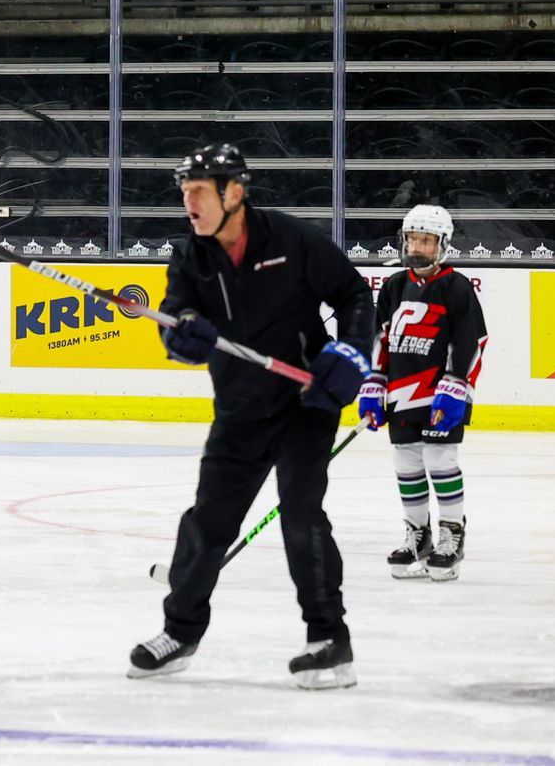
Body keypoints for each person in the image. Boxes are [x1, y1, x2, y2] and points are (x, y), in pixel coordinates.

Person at [129, 144, 375, 690]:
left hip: (304, 404)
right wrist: (183, 332)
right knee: (208, 522)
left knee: (301, 515)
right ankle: (180, 631)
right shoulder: (191, 256)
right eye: (184, 191)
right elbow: (177, 320)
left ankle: (329, 640)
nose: (188, 202)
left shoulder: (291, 239)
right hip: (239, 407)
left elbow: (355, 295)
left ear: (233, 192)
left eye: (198, 191)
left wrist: (352, 354)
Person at [358, 204, 486, 582]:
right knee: (407, 466)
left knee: (441, 461)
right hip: (401, 394)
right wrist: (373, 386)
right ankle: (418, 534)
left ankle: (452, 534)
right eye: (413, 238)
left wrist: (455, 388)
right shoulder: (394, 286)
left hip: (440, 396)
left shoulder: (456, 286)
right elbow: (380, 340)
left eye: (426, 241)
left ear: (442, 244)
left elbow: (471, 341)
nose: (417, 247)